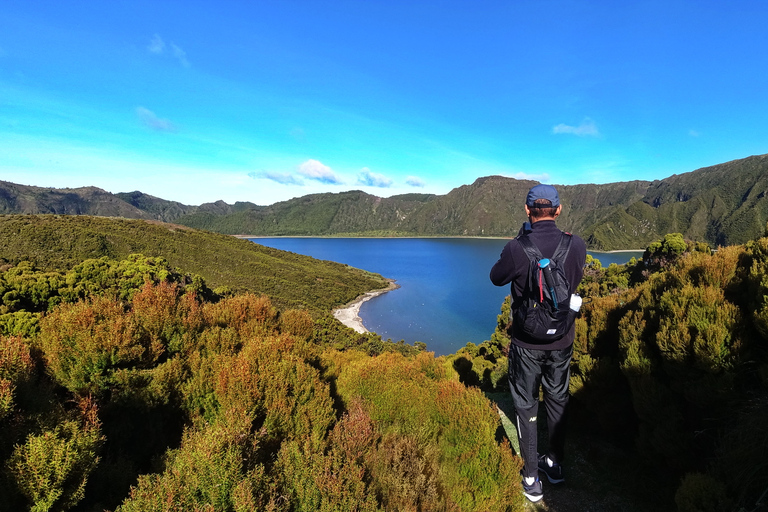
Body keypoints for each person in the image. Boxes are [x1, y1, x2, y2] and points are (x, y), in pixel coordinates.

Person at [489, 184, 586, 503]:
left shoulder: (517, 247)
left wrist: (520, 242)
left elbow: (496, 277)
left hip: (526, 342)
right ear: (558, 210)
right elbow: (573, 280)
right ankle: (555, 465)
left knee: (525, 405)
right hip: (562, 339)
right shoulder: (577, 245)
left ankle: (531, 477)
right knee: (558, 400)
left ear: (527, 210)